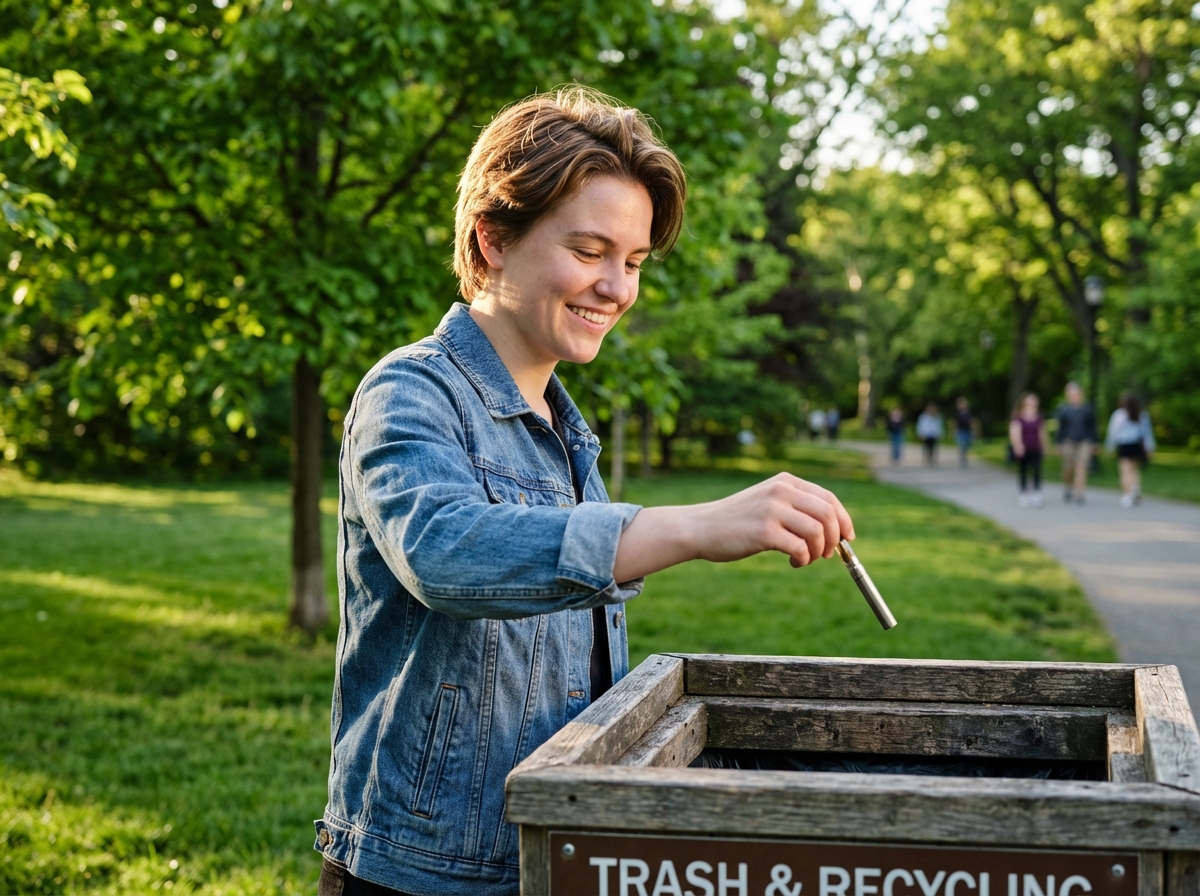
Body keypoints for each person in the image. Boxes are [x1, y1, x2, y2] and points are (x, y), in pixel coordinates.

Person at [314, 88, 856, 896]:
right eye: (590, 250)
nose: (617, 288)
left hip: (549, 852)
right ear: (493, 239)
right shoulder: (411, 390)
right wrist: (697, 527)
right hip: (420, 875)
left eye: (633, 262)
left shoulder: (568, 433)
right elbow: (447, 553)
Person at [1105, 392, 1156, 508]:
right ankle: (1135, 488)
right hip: (1137, 445)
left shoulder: (1119, 415)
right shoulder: (1142, 415)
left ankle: (1127, 494)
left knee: (1125, 470)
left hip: (1124, 445)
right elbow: (1147, 433)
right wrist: (1150, 447)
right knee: (1134, 469)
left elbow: (1113, 432)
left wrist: (1110, 446)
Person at [1055, 382, 1098, 505]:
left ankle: (1079, 493)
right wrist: (1058, 444)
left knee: (1081, 466)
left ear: (1080, 394)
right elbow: (1061, 429)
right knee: (1068, 468)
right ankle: (1068, 486)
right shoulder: (1064, 410)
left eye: (1075, 394)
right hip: (1068, 442)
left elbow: (1092, 427)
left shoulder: (1088, 409)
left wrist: (1094, 443)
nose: (1073, 396)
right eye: (1070, 394)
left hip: (1084, 442)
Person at [1009, 392, 1047, 507]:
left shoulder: (1039, 417)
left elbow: (1042, 433)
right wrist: (1017, 445)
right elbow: (1014, 431)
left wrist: (1044, 446)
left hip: (1035, 447)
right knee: (1023, 471)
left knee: (1036, 470)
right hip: (1023, 448)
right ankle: (1023, 494)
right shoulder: (1018, 417)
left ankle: (1037, 493)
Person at [953, 397, 973, 467]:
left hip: (967, 430)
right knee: (962, 444)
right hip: (960, 430)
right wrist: (954, 431)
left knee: (967, 444)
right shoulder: (957, 413)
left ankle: (965, 456)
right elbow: (955, 423)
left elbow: (971, 421)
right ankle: (962, 458)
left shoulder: (968, 412)